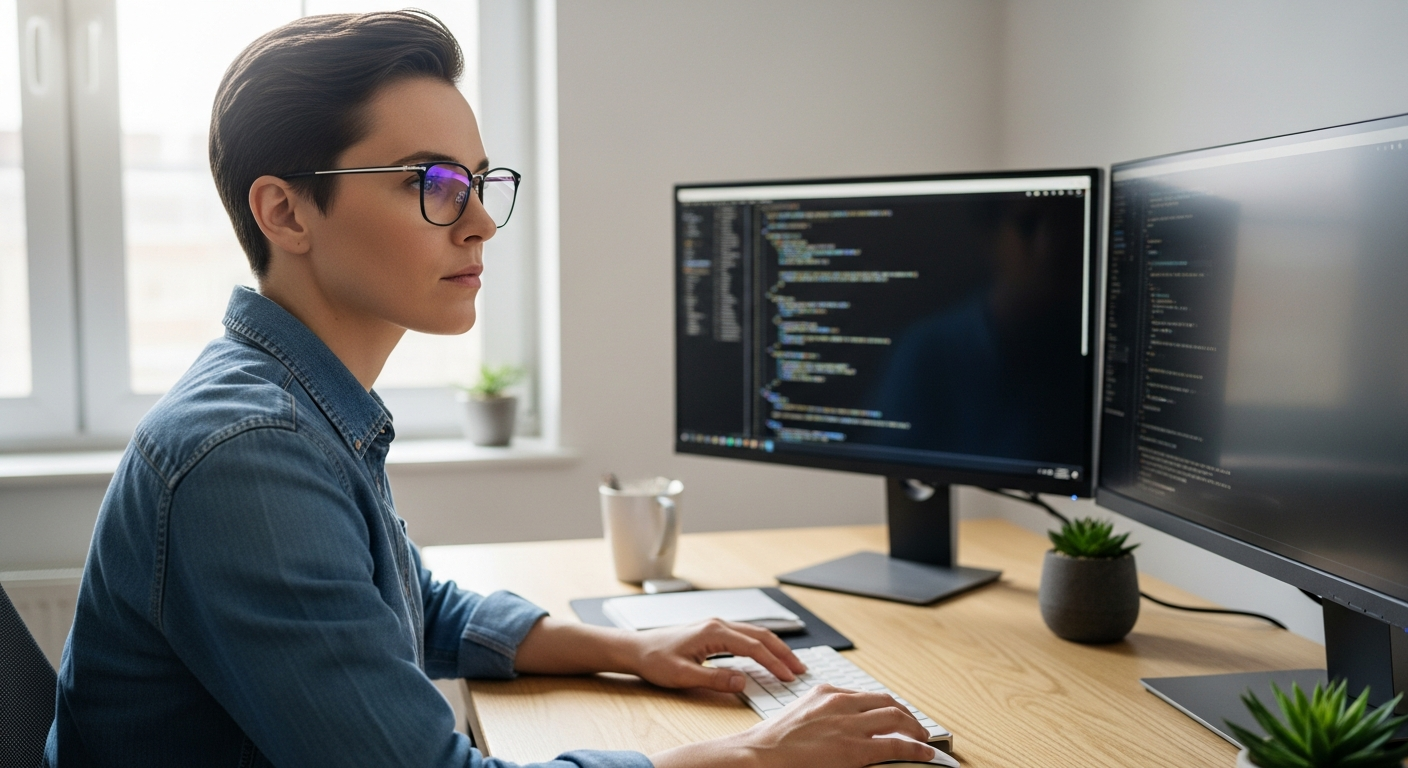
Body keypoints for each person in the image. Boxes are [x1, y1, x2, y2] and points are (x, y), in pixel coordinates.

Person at [46, 11, 938, 768]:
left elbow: (408, 602)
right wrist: (748, 756)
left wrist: (632, 648)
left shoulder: (294, 402)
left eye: (476, 183)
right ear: (285, 212)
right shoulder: (249, 454)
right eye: (428, 184)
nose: (477, 223)